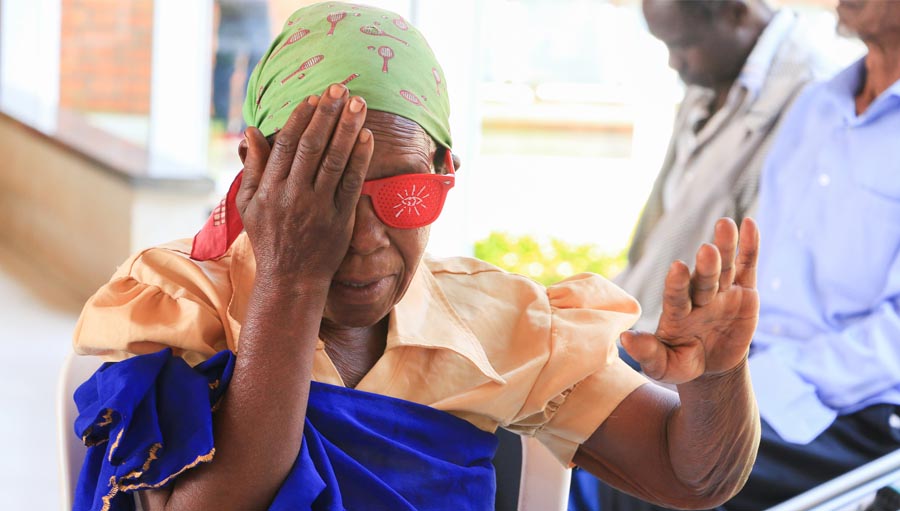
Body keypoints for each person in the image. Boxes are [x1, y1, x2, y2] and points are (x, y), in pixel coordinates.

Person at [70, 3, 762, 511]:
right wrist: (292, 276)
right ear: (255, 168)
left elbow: (690, 473)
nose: (367, 238)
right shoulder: (176, 298)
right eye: (327, 191)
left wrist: (717, 377)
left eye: (404, 192)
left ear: (445, 170)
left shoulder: (496, 321)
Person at [596, 0, 900, 509]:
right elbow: (763, 265)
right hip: (751, 364)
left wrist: (745, 380)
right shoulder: (818, 106)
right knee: (567, 386)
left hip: (852, 404)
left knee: (640, 468)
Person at [616, 0, 836, 336]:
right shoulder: (713, 74)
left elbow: (762, 265)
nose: (674, 62)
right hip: (640, 325)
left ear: (737, 12)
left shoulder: (815, 94)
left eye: (682, 45)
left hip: (697, 353)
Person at [213, 0, 271, 134]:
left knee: (255, 75)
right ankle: (222, 124)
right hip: (231, 22)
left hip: (256, 21)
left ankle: (249, 128)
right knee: (224, 70)